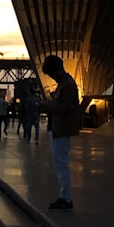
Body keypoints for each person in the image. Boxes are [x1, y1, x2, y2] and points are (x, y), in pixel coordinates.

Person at [40, 54, 80, 212]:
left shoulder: (67, 85)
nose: (51, 78)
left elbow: (68, 108)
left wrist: (48, 107)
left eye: (51, 74)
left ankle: (66, 198)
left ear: (56, 71)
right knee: (60, 163)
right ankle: (65, 197)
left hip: (62, 129)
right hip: (58, 129)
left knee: (61, 164)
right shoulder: (65, 84)